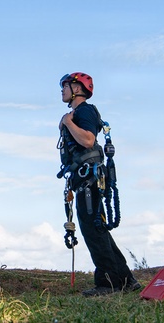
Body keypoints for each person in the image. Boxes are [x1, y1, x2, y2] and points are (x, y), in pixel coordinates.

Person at [58, 72, 140, 297]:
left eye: (65, 86)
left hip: (88, 179)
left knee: (93, 229)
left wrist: (67, 122)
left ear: (77, 88)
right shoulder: (80, 112)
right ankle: (125, 279)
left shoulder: (84, 110)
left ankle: (108, 283)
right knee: (98, 228)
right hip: (85, 179)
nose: (61, 90)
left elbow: (87, 140)